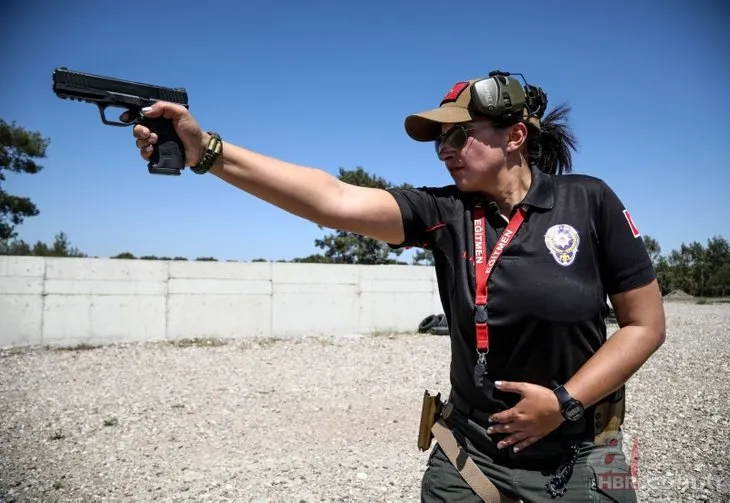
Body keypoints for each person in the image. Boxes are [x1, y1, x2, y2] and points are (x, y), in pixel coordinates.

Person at [126, 70, 666, 502]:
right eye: (439, 143)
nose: (446, 150)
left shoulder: (588, 200)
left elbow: (645, 325)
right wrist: (208, 151)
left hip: (584, 449)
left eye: (459, 135)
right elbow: (332, 199)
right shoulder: (444, 211)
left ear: (515, 137)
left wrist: (563, 402)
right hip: (471, 454)